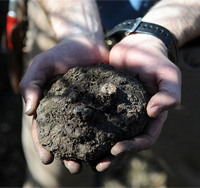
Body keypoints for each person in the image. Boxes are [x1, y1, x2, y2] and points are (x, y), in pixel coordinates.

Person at [19, 0, 200, 187]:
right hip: (61, 22)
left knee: (189, 171)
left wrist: (156, 32)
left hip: (182, 34)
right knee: (52, 180)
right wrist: (77, 28)